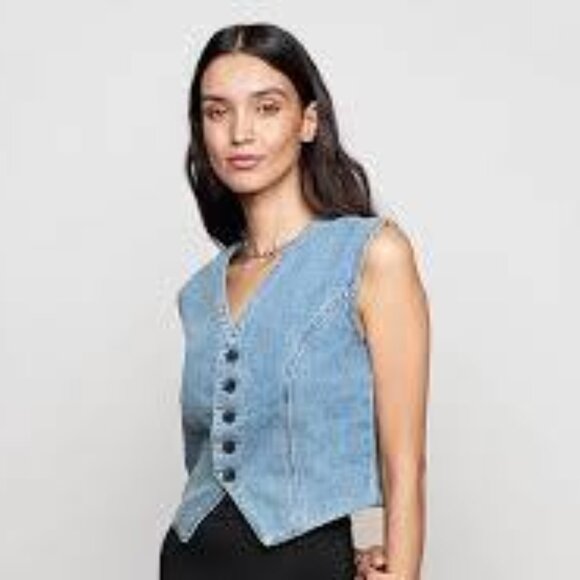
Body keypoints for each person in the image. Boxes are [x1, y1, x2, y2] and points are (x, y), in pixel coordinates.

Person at [159, 22, 430, 580]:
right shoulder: (199, 292)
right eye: (217, 112)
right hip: (190, 562)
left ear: (307, 121)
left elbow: (405, 464)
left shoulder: (372, 255)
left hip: (305, 565)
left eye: (266, 107)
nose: (240, 132)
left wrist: (401, 570)